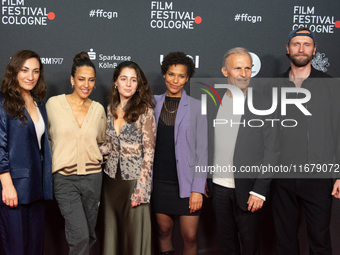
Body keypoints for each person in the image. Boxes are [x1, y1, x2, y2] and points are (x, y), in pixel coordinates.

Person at [263, 27, 340, 255]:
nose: (301, 49)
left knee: (319, 238)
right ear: (287, 49)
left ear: (314, 49)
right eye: (296, 44)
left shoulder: (330, 86)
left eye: (307, 44)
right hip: (282, 177)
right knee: (285, 240)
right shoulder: (273, 86)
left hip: (319, 176)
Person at [205, 47, 280, 255]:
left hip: (249, 190)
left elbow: (273, 151)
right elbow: (206, 143)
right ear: (225, 71)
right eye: (237, 68)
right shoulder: (214, 101)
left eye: (248, 68)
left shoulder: (264, 103)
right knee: (226, 245)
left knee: (250, 246)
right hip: (218, 188)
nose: (244, 74)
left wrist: (259, 190)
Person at [46, 52, 106, 255]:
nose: (86, 84)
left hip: (93, 178)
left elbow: (102, 142)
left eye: (91, 80)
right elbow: (45, 138)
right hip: (65, 180)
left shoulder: (98, 110)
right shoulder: (53, 105)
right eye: (81, 79)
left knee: (88, 234)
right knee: (79, 234)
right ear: (72, 80)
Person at [152, 51, 208, 255]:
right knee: (164, 230)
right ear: (164, 75)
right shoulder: (151, 103)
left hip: (187, 182)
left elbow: (202, 151)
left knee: (190, 236)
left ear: (187, 78)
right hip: (159, 181)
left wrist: (198, 189)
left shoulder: (197, 107)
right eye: (171, 74)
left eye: (181, 76)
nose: (175, 80)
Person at [99, 61, 156, 255]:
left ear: (139, 84)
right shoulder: (110, 109)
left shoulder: (145, 111)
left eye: (133, 80)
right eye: (124, 79)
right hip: (110, 181)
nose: (128, 84)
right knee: (112, 233)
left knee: (133, 236)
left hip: (133, 182)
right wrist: (87, 151)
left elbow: (149, 152)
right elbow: (109, 145)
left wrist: (141, 189)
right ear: (116, 82)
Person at [0, 50, 53, 255]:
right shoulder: (3, 101)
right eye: (25, 70)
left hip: (37, 188)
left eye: (35, 71)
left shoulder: (38, 102)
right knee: (16, 248)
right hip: (14, 189)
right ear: (14, 71)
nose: (30, 76)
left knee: (34, 248)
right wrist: (7, 185)